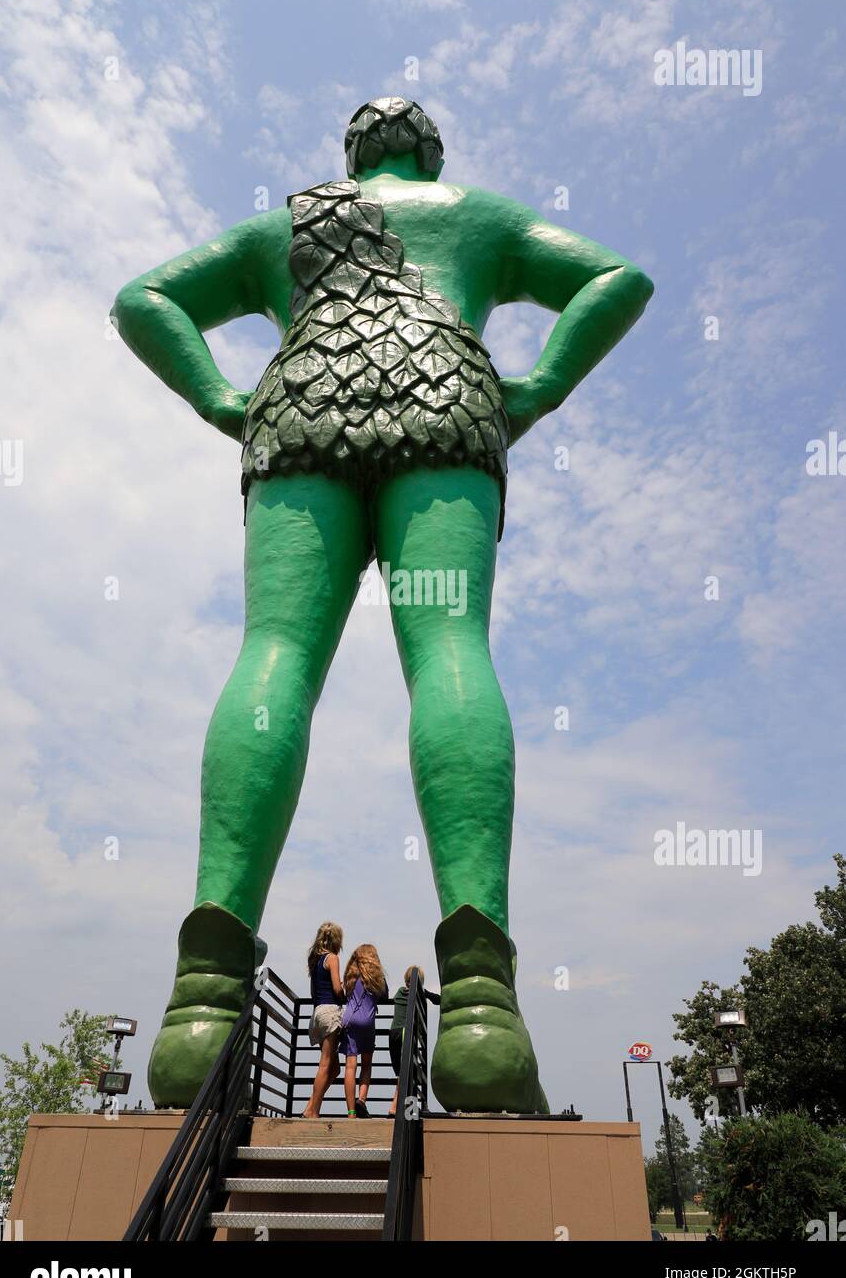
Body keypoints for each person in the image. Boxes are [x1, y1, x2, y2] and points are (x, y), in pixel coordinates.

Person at [116, 96, 654, 1113]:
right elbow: (616, 279)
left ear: (351, 155)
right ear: (429, 152)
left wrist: (220, 398)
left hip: (297, 414)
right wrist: (534, 389)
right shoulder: (476, 215)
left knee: (271, 654)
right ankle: (483, 1011)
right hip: (447, 403)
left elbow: (143, 298)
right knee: (450, 649)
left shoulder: (279, 227)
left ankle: (201, 1009)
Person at [301, 922, 345, 1119]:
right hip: (329, 1012)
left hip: (317, 1013)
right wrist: (345, 992)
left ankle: (310, 1106)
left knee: (334, 1068)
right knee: (326, 1064)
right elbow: (337, 989)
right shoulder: (332, 958)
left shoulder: (315, 959)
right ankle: (314, 1111)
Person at [339, 945, 388, 1117]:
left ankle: (351, 1112)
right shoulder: (376, 977)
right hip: (367, 1022)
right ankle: (362, 1100)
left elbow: (344, 994)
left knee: (350, 1066)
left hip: (350, 1021)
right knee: (366, 1065)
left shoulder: (350, 976)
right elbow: (385, 995)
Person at [387, 966, 439, 1117]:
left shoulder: (399, 992)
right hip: (405, 1032)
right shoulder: (419, 993)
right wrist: (424, 992)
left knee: (400, 1073)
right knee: (407, 1073)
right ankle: (398, 1108)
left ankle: (402, 1108)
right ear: (420, 982)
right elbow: (438, 1000)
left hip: (393, 1033)